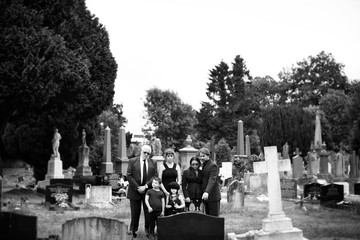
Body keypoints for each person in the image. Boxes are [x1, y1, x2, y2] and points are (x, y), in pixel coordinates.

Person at [127, 145, 158, 238]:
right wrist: (138, 188)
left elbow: (154, 176)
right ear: (141, 151)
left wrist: (145, 186)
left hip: (148, 192)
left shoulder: (153, 162)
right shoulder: (132, 161)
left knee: (148, 213)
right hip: (134, 191)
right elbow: (129, 175)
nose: (146, 155)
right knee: (135, 213)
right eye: (144, 152)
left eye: (148, 153)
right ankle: (132, 231)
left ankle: (148, 231)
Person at [198, 147, 221, 216]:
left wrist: (207, 192)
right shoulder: (204, 165)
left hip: (212, 196)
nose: (201, 158)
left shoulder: (212, 165)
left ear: (208, 156)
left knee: (214, 218)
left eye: (203, 156)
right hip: (206, 197)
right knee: (208, 218)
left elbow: (212, 179)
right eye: (200, 156)